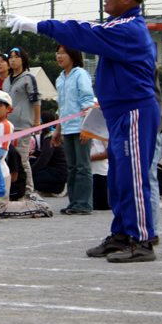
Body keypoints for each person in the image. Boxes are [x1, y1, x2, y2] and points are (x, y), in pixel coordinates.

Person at [8, 0, 160, 263]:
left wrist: (36, 25)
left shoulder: (127, 28)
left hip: (135, 110)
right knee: (118, 177)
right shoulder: (120, 25)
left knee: (133, 176)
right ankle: (123, 234)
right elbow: (88, 30)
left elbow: (83, 31)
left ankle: (142, 239)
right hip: (119, 111)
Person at [51, 45, 95, 215]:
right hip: (67, 128)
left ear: (73, 55)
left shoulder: (80, 74)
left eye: (63, 53)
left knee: (82, 166)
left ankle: (83, 204)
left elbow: (87, 101)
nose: (59, 56)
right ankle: (74, 202)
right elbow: (61, 107)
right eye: (58, 53)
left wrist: (87, 128)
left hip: (80, 126)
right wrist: (57, 130)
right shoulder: (60, 78)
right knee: (71, 166)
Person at [2, 47, 40, 196]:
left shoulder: (28, 78)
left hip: (23, 126)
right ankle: (14, 192)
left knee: (23, 160)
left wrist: (37, 122)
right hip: (9, 126)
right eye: (10, 57)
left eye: (16, 57)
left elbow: (36, 99)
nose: (13, 60)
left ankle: (28, 192)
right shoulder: (6, 81)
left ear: (23, 59)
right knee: (10, 161)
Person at [31, 111, 68, 196]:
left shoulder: (49, 138)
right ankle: (56, 186)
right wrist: (37, 152)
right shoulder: (53, 135)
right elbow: (49, 154)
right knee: (32, 162)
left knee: (30, 178)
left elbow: (44, 159)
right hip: (61, 170)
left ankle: (54, 188)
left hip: (58, 172)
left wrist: (30, 173)